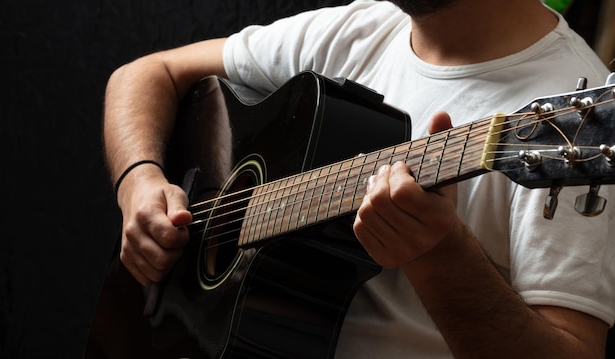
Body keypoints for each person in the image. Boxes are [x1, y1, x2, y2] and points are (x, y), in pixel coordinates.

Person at [102, 0, 614, 357]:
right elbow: (148, 74)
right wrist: (139, 182)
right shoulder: (359, 30)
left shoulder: (575, 121)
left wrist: (439, 256)